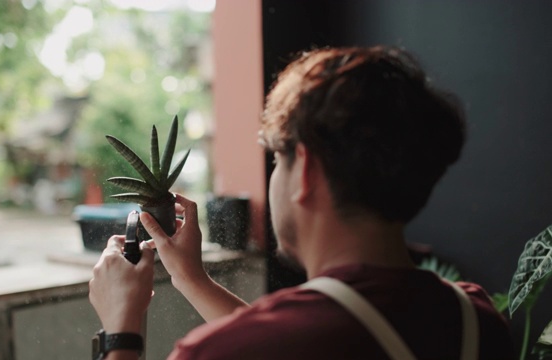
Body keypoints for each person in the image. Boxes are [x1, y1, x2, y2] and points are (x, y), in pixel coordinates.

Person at [89, 46, 515, 359]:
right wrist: (192, 279)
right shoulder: (478, 322)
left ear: (305, 169)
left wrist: (121, 327)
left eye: (277, 159)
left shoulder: (214, 353)